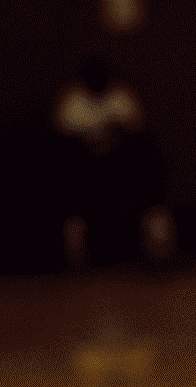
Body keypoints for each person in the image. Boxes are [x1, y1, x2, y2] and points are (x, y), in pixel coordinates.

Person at [53, 53, 173, 269]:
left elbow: (136, 136)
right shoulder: (72, 99)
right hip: (84, 171)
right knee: (67, 172)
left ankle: (159, 251)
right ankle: (76, 260)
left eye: (101, 74)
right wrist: (102, 135)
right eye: (92, 75)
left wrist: (104, 137)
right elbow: (66, 142)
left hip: (120, 168)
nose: (97, 78)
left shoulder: (121, 96)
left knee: (147, 161)